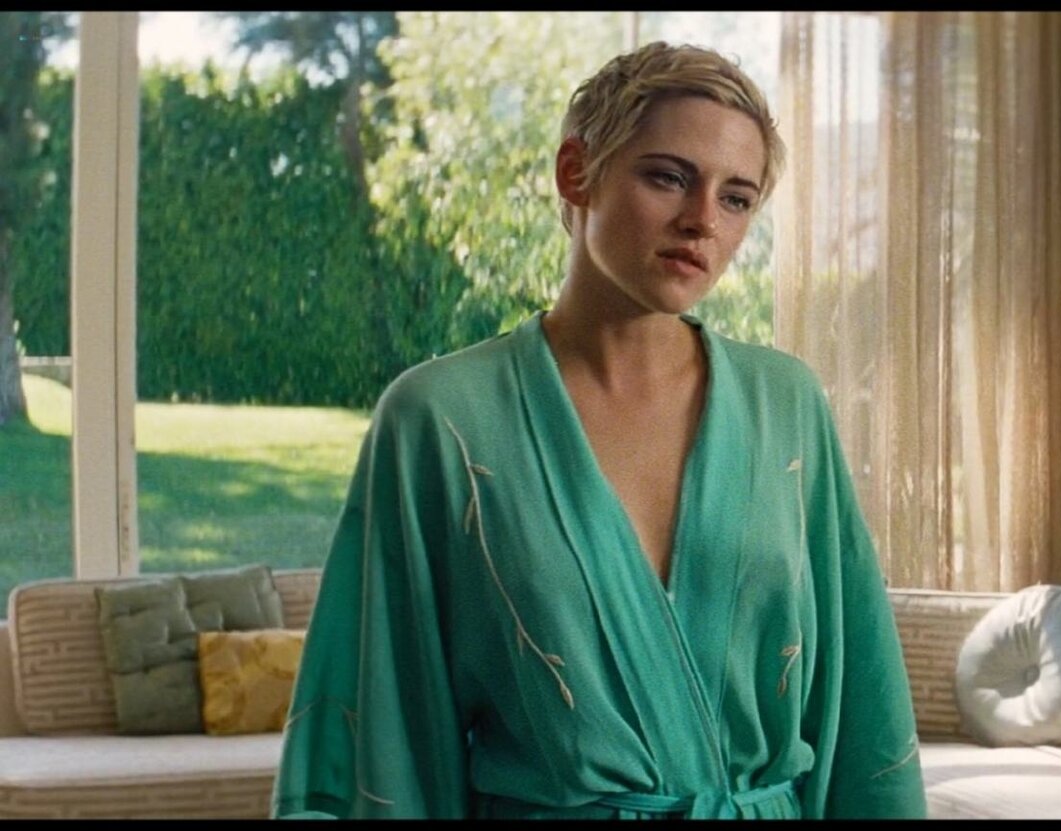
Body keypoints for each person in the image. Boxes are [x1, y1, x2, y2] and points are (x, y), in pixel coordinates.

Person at [272, 42, 927, 820]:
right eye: (668, 177)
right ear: (575, 171)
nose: (702, 220)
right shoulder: (439, 418)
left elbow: (862, 703)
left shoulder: (787, 403)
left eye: (736, 197)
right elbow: (384, 716)